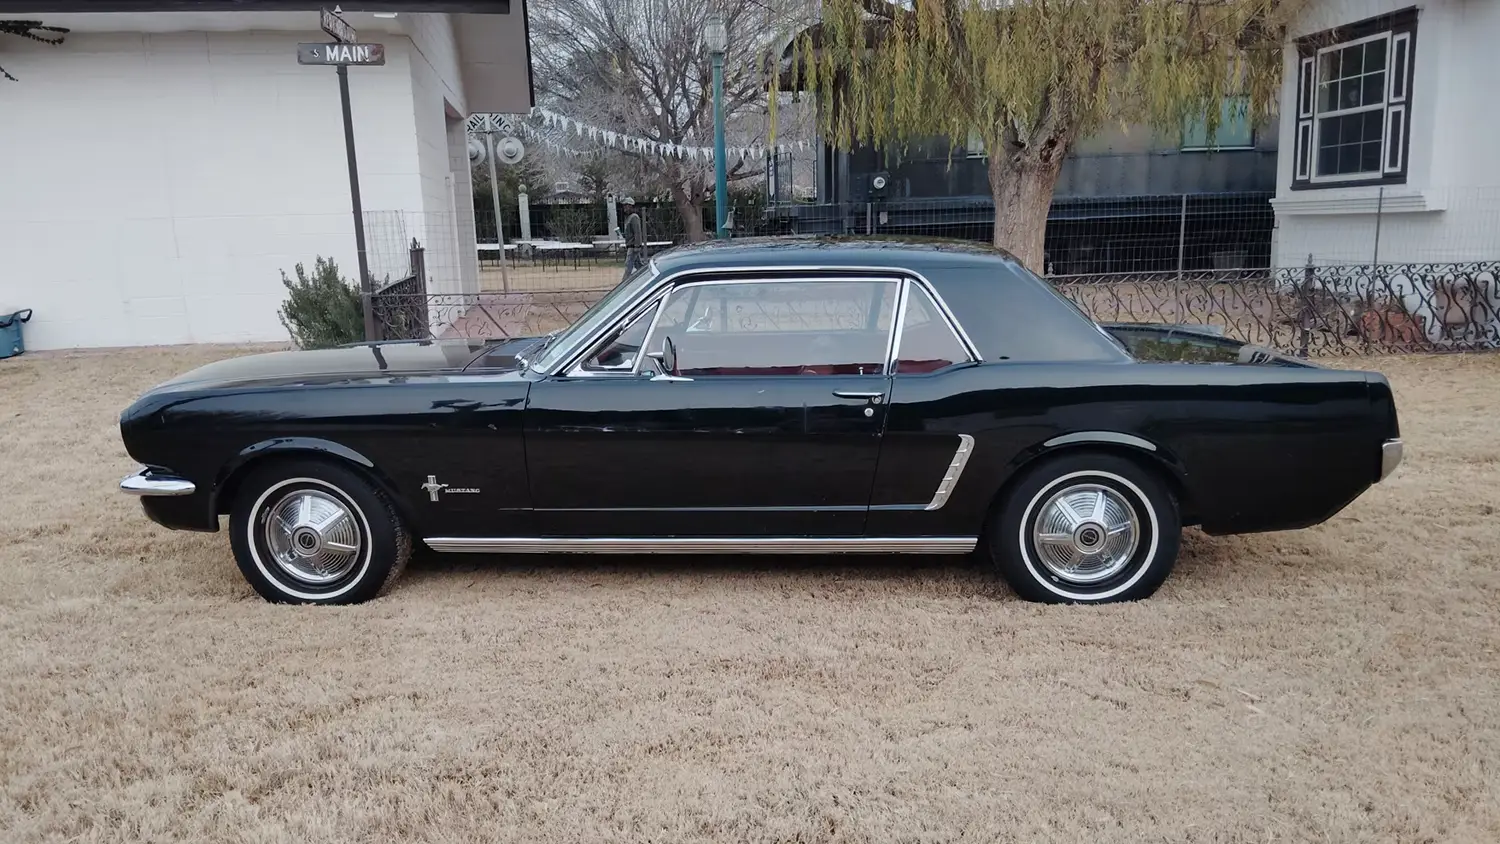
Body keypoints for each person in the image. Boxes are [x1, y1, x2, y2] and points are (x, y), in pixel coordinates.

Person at [619, 197, 647, 279]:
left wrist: (637, 246)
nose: (624, 207)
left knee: (628, 266)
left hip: (633, 246)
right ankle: (647, 277)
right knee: (639, 266)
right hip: (630, 245)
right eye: (624, 206)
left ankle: (624, 283)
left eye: (626, 205)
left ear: (631, 206)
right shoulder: (628, 218)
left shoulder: (634, 217)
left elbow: (637, 232)